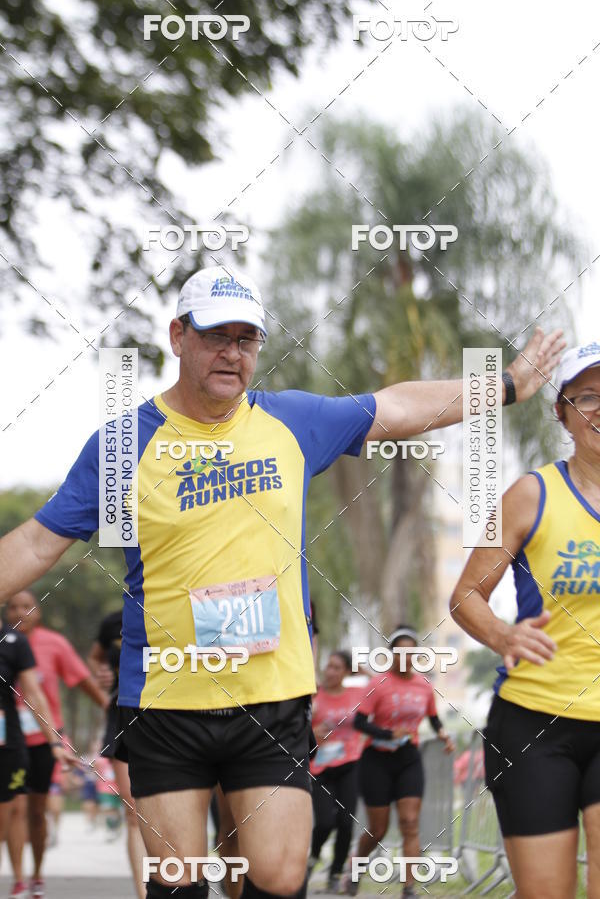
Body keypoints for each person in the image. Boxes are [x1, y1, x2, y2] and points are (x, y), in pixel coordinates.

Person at [0, 264, 563, 899]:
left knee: (278, 878)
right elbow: (36, 542)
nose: (232, 353)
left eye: (247, 340)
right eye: (217, 336)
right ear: (178, 336)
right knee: (177, 884)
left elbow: (399, 407)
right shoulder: (125, 443)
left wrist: (508, 384)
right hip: (165, 700)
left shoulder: (289, 422)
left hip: (272, 698)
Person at [450, 342, 600, 899]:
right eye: (587, 397)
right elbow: (465, 594)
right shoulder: (528, 495)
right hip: (537, 724)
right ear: (562, 411)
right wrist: (502, 633)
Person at [4, 591, 108, 899]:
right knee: (16, 808)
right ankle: (18, 878)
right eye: (12, 607)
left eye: (26, 606)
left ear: (39, 611)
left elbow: (81, 679)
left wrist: (108, 707)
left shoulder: (54, 644)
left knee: (37, 811)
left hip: (43, 740)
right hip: (10, 739)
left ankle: (36, 873)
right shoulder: (5, 643)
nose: (19, 612)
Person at [347, 626, 454, 898]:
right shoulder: (378, 684)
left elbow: (433, 717)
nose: (406, 657)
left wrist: (443, 734)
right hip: (376, 761)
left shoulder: (423, 685)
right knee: (378, 829)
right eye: (400, 652)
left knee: (409, 822)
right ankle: (356, 865)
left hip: (408, 759)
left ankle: (408, 889)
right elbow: (358, 722)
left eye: (411, 652)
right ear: (392, 655)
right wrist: (387, 733)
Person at [0, 618, 76, 899]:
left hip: (9, 743)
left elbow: (33, 694)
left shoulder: (14, 642)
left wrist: (54, 741)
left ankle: (29, 877)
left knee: (21, 812)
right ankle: (20, 878)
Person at [88, 608, 146, 899]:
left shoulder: (180, 603)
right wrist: (103, 683)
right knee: (134, 813)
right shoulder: (113, 620)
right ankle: (144, 893)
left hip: (174, 713)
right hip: (123, 713)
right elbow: (95, 658)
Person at [307, 651, 366, 893]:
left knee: (345, 822)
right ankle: (313, 857)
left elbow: (381, 686)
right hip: (319, 767)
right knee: (324, 822)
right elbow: (298, 726)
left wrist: (362, 669)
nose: (330, 671)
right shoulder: (314, 695)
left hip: (349, 764)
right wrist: (313, 732)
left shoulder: (356, 694)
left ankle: (335, 874)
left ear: (346, 672)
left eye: (337, 668)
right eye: (328, 666)